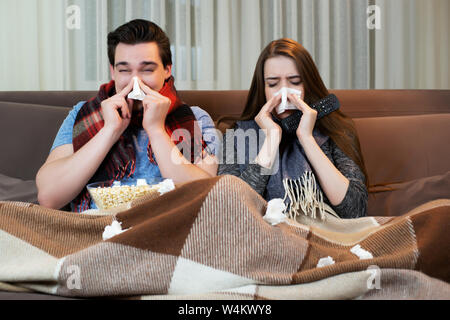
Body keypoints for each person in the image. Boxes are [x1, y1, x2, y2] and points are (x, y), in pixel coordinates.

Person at [36, 19, 219, 212]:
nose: (135, 82)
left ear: (167, 70)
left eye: (147, 69)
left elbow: (205, 196)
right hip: (90, 229)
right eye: (124, 70)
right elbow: (49, 197)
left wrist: (157, 131)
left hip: (163, 227)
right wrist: (109, 130)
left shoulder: (195, 119)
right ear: (113, 71)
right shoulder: (83, 116)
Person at [217, 38, 368, 219]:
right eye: (273, 84)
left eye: (295, 82)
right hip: (267, 240)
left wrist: (307, 138)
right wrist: (271, 140)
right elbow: (232, 213)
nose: (285, 94)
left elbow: (355, 210)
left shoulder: (336, 130)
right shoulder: (236, 136)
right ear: (262, 89)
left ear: (308, 85)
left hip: (327, 237)